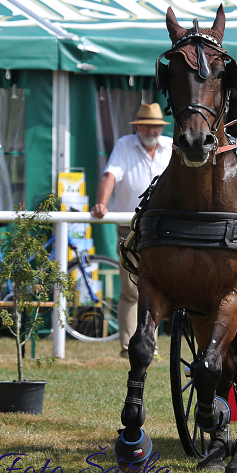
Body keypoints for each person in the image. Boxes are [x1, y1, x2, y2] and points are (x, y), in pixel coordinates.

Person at [91, 103, 172, 358]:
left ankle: (151, 345)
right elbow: (109, 175)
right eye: (148, 125)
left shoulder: (170, 145)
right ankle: (128, 347)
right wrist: (102, 203)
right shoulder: (125, 144)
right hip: (130, 225)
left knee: (157, 288)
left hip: (162, 227)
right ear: (137, 126)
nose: (153, 129)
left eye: (157, 125)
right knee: (130, 289)